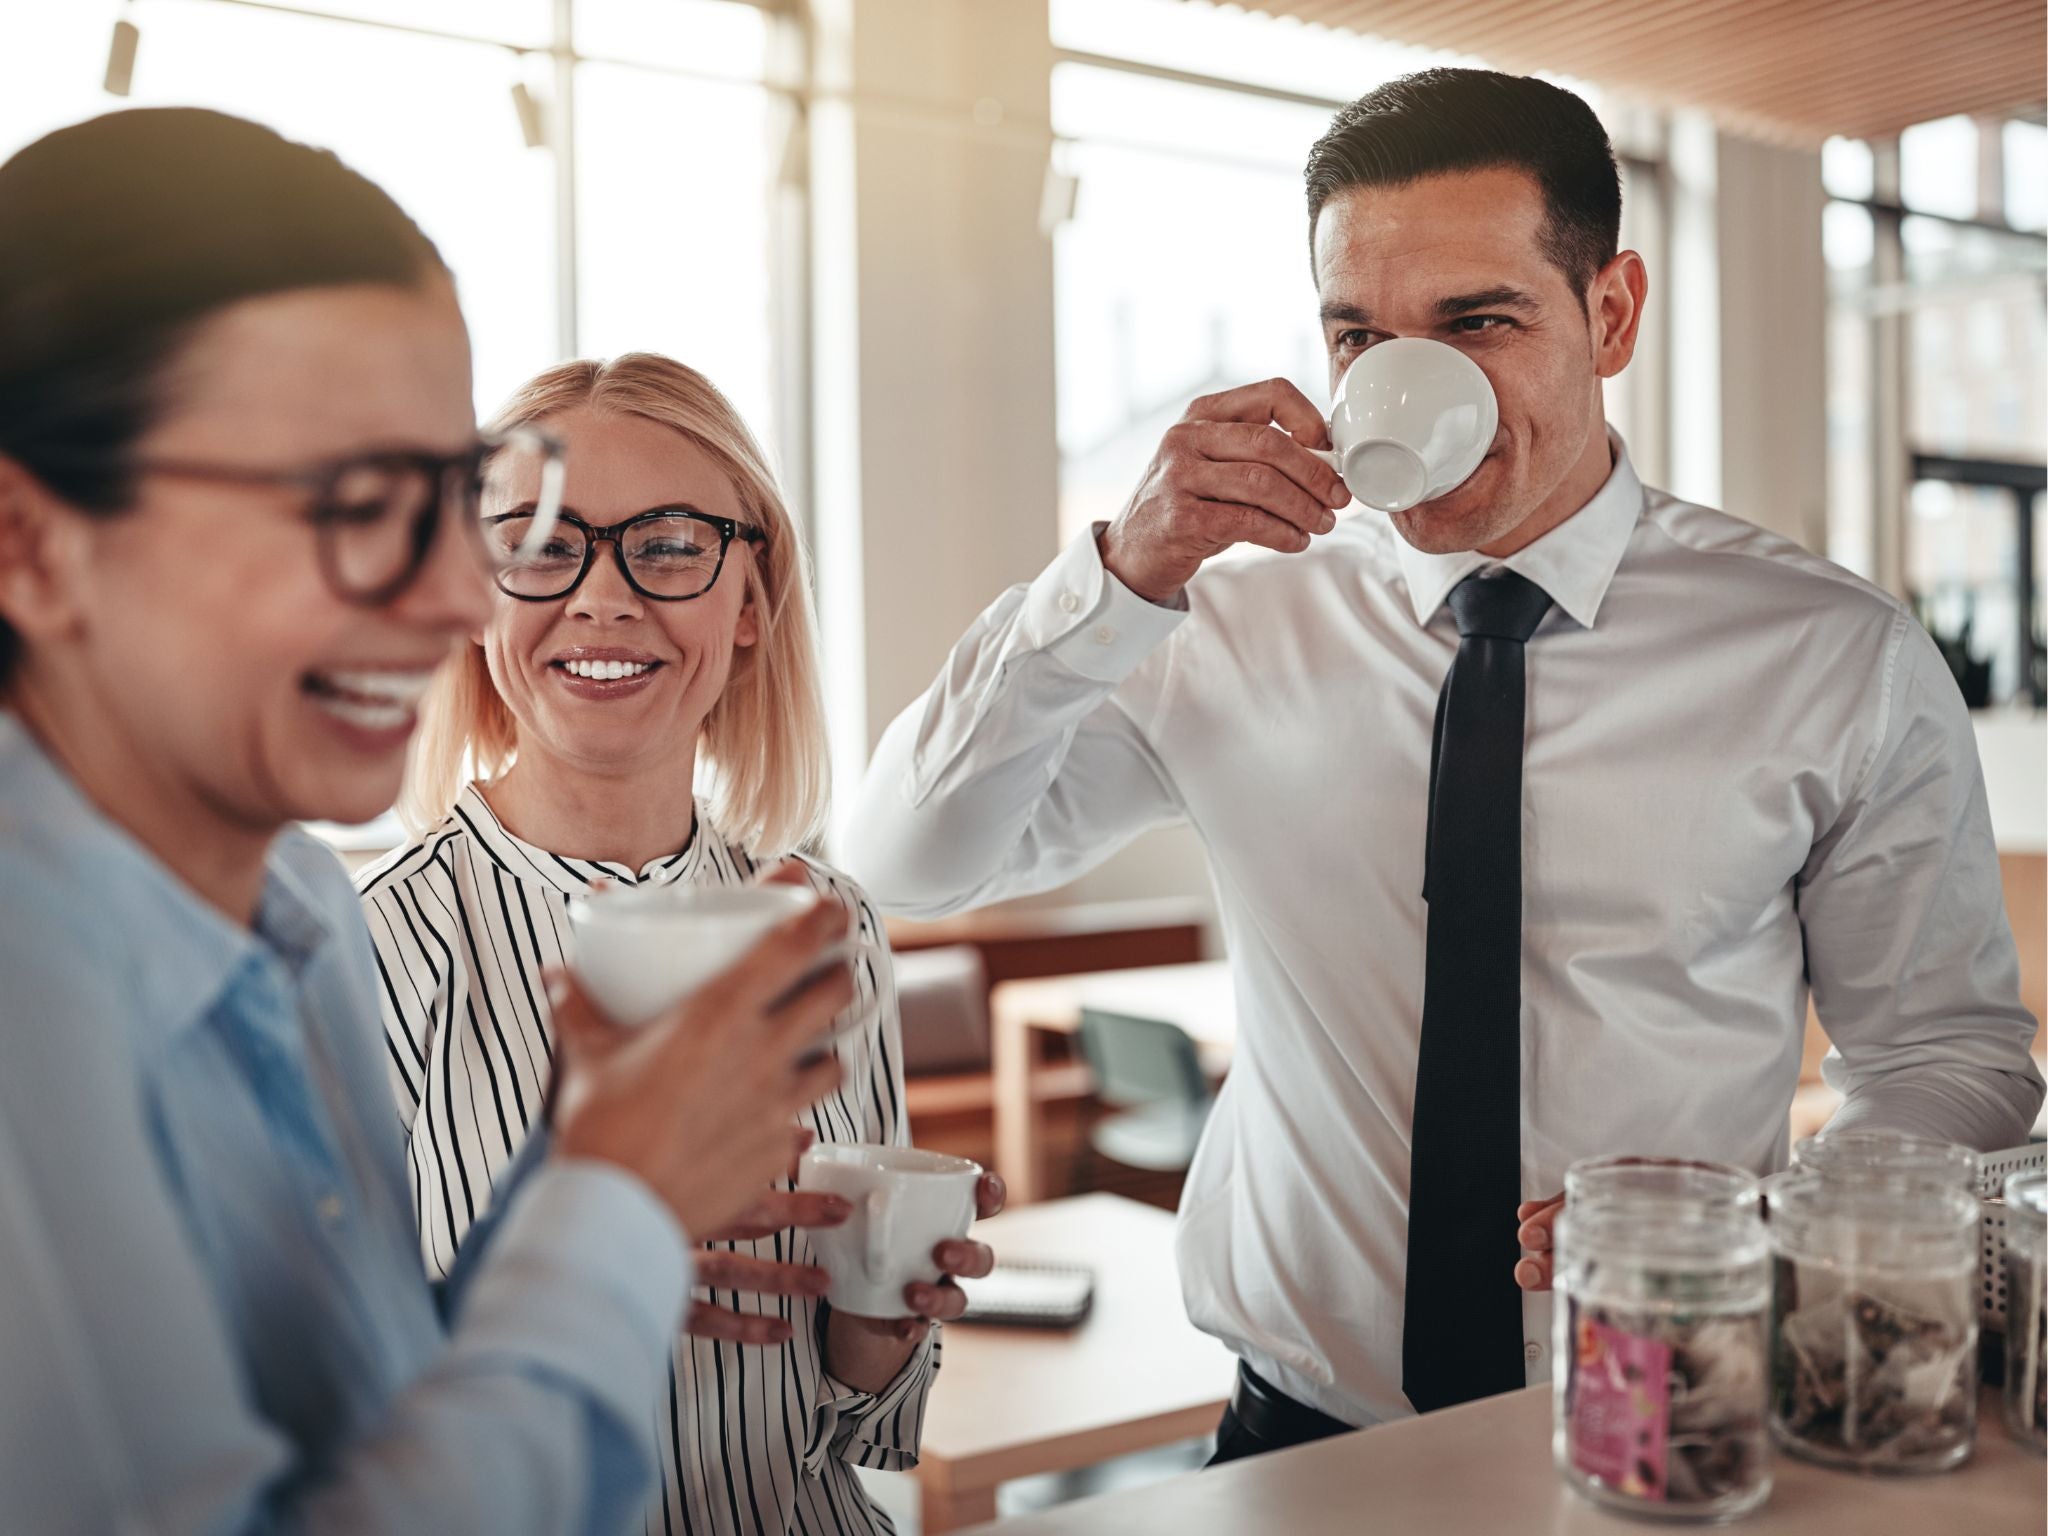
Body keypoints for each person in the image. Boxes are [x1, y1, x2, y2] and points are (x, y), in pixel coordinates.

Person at [842, 68, 2044, 1463]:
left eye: (1478, 321)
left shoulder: (1833, 654)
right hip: (1289, 1444)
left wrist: (1760, 1231)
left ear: (1612, 315)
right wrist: (1112, 576)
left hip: (1673, 1412)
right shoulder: (1220, 613)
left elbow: (1947, 1055)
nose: (1408, 382)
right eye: (1360, 334)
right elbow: (904, 860)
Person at [0, 108, 848, 1532]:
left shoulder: (303, 912)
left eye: (453, 500)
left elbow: (374, 1419)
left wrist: (572, 1177)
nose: (463, 598)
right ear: (31, 546)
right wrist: (616, 1210)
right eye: (354, 503)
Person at [358, 352, 1003, 1536]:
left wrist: (882, 1318)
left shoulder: (831, 923)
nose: (602, 600)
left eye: (665, 545)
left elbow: (867, 1431)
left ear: (749, 602)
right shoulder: (366, 953)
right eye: (544, 546)